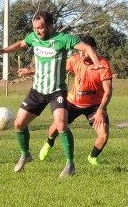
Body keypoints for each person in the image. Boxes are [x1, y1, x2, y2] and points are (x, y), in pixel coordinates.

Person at [0, 11, 102, 178]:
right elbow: (20, 44)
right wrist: (2, 50)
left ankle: (70, 164)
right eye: (35, 28)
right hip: (37, 91)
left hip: (56, 91)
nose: (38, 31)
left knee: (61, 125)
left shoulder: (63, 39)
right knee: (19, 124)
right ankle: (25, 154)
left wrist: (97, 63)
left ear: (49, 26)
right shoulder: (33, 37)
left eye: (40, 28)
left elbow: (87, 47)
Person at [38, 35, 112, 166]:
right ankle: (49, 143)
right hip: (73, 103)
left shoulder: (103, 65)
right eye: (80, 50)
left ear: (94, 49)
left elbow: (108, 91)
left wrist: (100, 110)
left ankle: (92, 157)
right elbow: (53, 67)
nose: (82, 53)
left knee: (103, 135)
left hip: (95, 106)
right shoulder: (74, 60)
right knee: (56, 127)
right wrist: (32, 71)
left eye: (86, 50)